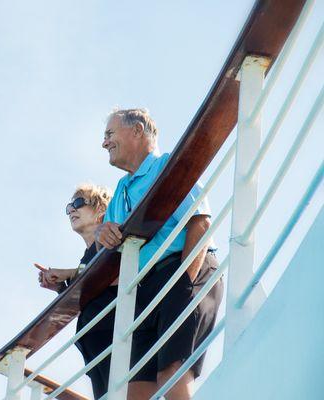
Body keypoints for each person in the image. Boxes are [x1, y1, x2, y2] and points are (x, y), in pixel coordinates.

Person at [94, 108, 223, 400]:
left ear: (137, 130)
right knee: (135, 392)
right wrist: (103, 234)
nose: (104, 143)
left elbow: (200, 221)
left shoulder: (166, 165)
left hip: (186, 268)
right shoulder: (121, 189)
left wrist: (183, 283)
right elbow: (106, 246)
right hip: (146, 288)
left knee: (171, 376)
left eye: (109, 135)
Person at [35, 183, 116, 399]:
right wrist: (60, 287)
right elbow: (88, 289)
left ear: (100, 210)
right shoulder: (86, 257)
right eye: (69, 207)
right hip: (96, 346)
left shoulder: (109, 239)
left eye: (78, 203)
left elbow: (108, 269)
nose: (71, 210)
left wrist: (68, 273)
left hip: (117, 339)